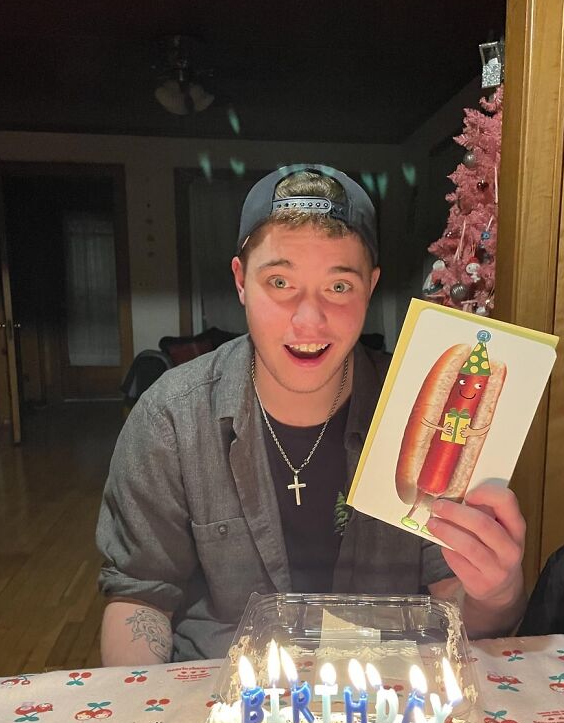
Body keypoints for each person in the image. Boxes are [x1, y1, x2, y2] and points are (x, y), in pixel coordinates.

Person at [97, 165, 526, 665]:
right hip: (223, 695)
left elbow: (458, 606)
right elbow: (140, 597)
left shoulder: (434, 415)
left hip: (389, 690)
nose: (308, 319)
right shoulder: (170, 418)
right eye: (280, 282)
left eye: (339, 287)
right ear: (241, 281)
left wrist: (496, 592)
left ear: (370, 285)